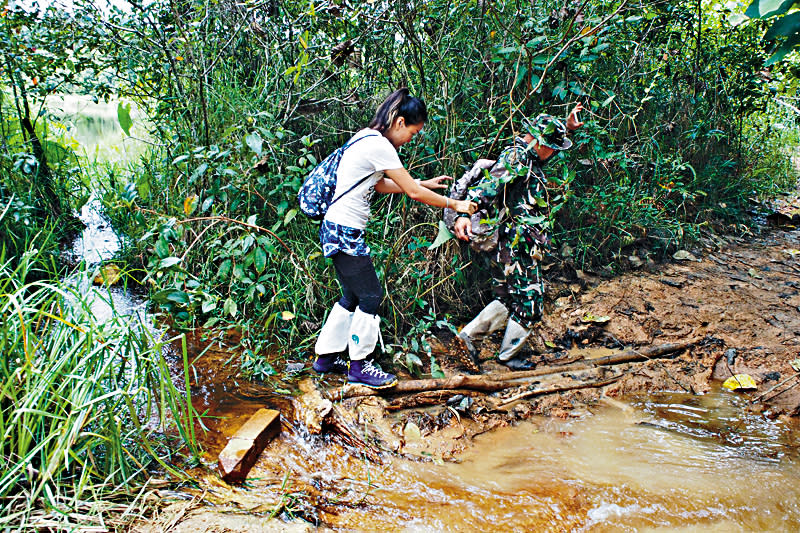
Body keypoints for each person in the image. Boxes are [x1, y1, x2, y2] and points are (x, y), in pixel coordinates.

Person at [313, 88, 478, 388]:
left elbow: (379, 185)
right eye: (413, 133)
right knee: (371, 296)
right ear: (400, 122)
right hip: (345, 230)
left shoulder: (366, 137)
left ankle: (326, 358)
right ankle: (359, 366)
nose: (410, 140)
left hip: (337, 228)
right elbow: (413, 193)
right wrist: (456, 204)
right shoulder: (380, 146)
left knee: (353, 295)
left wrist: (422, 182)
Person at [444, 104, 584, 370]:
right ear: (538, 143)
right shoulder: (518, 157)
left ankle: (468, 338)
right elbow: (486, 187)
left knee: (508, 297)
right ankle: (509, 356)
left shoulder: (527, 155)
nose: (553, 153)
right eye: (551, 146)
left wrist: (566, 127)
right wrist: (464, 212)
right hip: (515, 246)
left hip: (508, 245)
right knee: (531, 301)